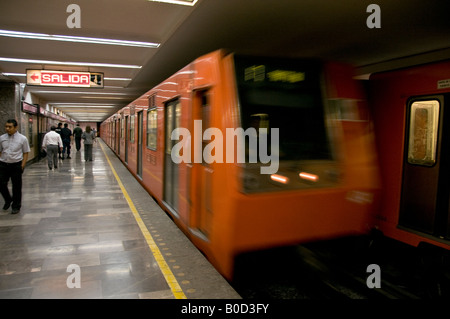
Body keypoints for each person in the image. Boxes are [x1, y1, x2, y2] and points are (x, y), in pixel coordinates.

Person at [0, 119, 30, 214]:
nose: (7, 129)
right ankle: (8, 199)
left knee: (16, 186)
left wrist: (22, 165)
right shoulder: (2, 138)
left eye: (10, 127)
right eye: (6, 126)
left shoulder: (22, 139)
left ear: (15, 127)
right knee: (1, 183)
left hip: (16, 165)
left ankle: (16, 206)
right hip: (3, 164)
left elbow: (25, 152)